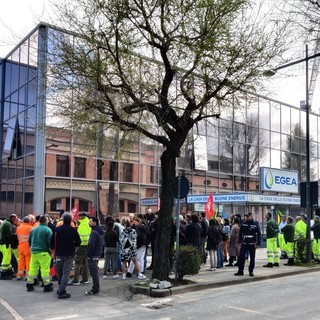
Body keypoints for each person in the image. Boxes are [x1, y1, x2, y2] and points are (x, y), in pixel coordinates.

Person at [51, 214, 81, 299]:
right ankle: (62, 290)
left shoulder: (57, 229)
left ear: (63, 220)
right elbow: (78, 242)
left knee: (59, 272)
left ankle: (60, 287)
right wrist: (73, 245)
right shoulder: (73, 230)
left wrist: (53, 249)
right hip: (69, 254)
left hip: (58, 253)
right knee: (66, 272)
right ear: (71, 221)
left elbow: (52, 241)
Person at [26, 215, 54, 292]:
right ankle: (47, 285)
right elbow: (50, 242)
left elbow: (29, 241)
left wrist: (32, 249)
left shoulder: (33, 230)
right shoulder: (48, 230)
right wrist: (51, 251)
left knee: (33, 269)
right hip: (44, 252)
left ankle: (29, 284)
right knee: (44, 269)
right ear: (46, 221)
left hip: (34, 252)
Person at [234, 212, 261, 277]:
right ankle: (240, 271)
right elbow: (240, 233)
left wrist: (258, 243)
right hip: (244, 243)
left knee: (252, 258)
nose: (246, 217)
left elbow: (259, 234)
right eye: (246, 216)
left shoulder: (255, 223)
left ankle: (251, 271)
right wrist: (239, 241)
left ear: (251, 216)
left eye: (248, 216)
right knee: (241, 257)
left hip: (252, 243)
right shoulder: (244, 223)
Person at [68, 211, 91, 285]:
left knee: (77, 263)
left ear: (82, 216)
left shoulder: (83, 224)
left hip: (82, 245)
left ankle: (75, 280)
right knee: (85, 263)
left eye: (79, 216)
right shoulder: (87, 223)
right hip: (86, 245)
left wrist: (78, 244)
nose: (78, 217)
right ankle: (85, 279)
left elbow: (83, 236)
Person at [85, 217, 104, 296]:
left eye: (90, 221)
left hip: (93, 255)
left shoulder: (94, 232)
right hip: (97, 253)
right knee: (94, 272)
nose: (89, 222)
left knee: (94, 272)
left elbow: (91, 244)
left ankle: (95, 288)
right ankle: (96, 287)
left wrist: (88, 254)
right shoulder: (99, 231)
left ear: (94, 222)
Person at [0, 214, 19, 280]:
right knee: (6, 258)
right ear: (13, 219)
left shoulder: (5, 222)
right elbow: (10, 235)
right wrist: (16, 236)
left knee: (8, 258)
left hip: (3, 243)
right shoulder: (8, 224)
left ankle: (8, 272)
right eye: (16, 220)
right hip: (6, 244)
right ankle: (4, 274)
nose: (16, 221)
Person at [16, 216, 33, 280]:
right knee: (28, 261)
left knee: (21, 261)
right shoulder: (30, 228)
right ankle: (27, 275)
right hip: (27, 247)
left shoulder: (18, 228)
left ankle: (19, 275)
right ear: (28, 221)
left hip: (20, 247)